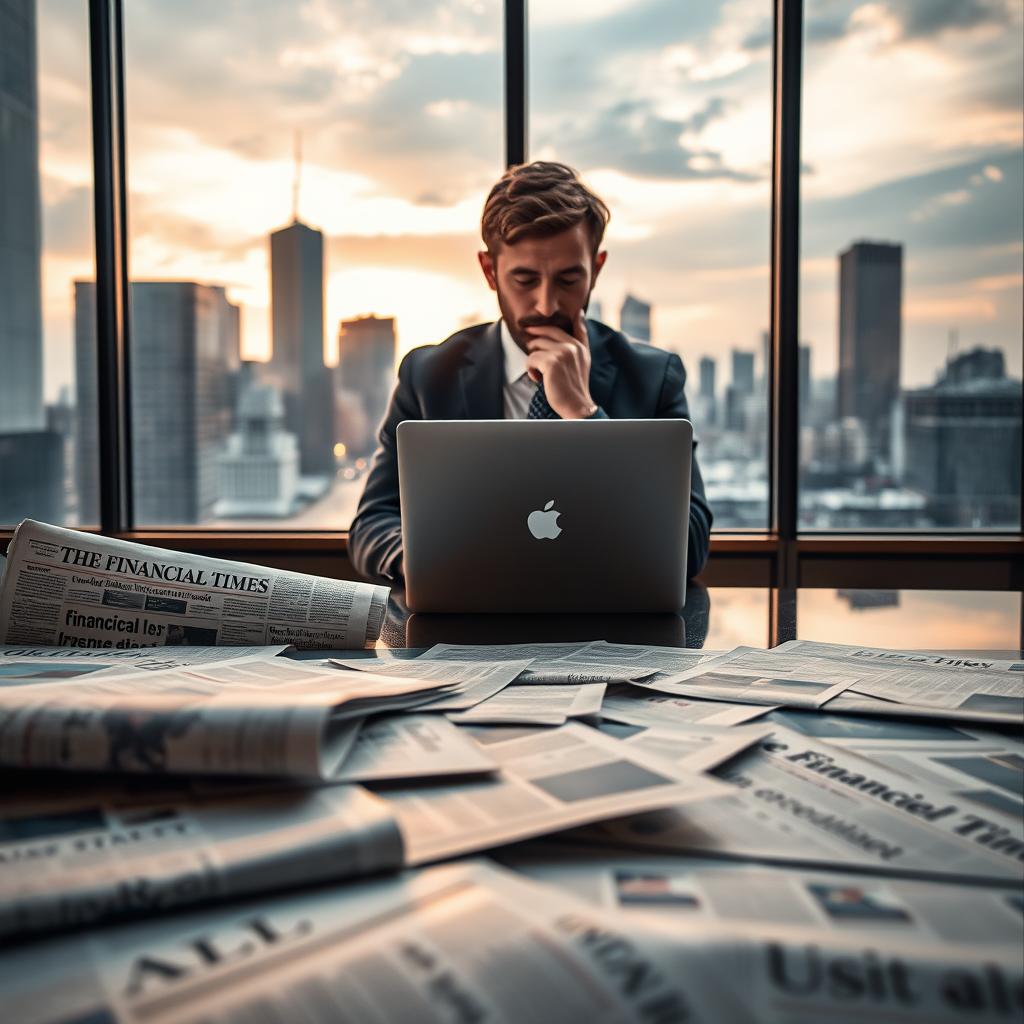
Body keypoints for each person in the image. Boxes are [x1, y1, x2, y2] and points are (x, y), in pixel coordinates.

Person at [349, 161, 713, 583]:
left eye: (568, 279)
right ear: (490, 272)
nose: (546, 304)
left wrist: (585, 413)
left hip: (613, 630)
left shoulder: (652, 377)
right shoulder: (429, 375)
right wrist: (424, 563)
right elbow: (371, 523)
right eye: (524, 279)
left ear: (596, 269)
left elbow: (689, 547)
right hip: (467, 632)